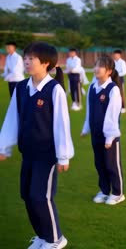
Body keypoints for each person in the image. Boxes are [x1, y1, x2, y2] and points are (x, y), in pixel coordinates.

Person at [0, 42, 74, 249]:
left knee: (41, 196)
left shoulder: (54, 89)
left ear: (46, 63)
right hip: (28, 154)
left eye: (31, 59)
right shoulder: (22, 88)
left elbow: (61, 124)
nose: (26, 61)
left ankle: (56, 239)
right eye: (26, 58)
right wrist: (3, 147)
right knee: (27, 195)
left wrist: (63, 156)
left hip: (47, 155)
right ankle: (42, 236)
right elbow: (12, 119)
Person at [81, 54, 125, 205]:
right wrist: (86, 128)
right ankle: (105, 190)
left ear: (109, 71)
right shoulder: (93, 88)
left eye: (100, 66)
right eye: (96, 65)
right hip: (96, 134)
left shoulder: (113, 90)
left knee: (112, 164)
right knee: (99, 164)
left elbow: (113, 114)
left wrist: (109, 137)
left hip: (109, 137)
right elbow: (89, 111)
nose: (96, 69)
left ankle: (118, 193)